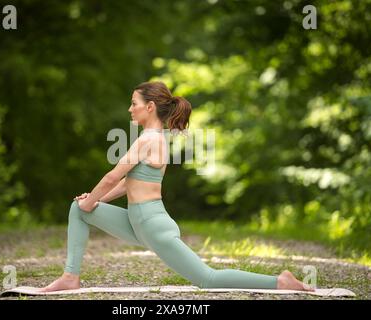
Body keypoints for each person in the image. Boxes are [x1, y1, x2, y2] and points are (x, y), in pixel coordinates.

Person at [40, 81, 314, 292]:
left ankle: (279, 281)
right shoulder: (152, 139)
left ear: (149, 107)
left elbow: (112, 177)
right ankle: (70, 276)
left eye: (133, 103)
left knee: (207, 279)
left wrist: (93, 201)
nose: (129, 108)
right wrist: (94, 202)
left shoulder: (149, 139)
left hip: (151, 223)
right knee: (78, 209)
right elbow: (126, 183)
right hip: (139, 221)